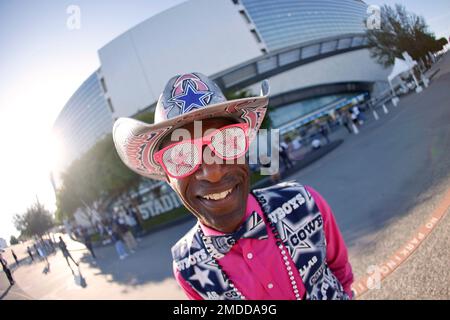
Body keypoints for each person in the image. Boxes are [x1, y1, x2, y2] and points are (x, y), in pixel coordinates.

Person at [113, 72, 353, 300]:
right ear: (167, 177)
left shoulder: (304, 203)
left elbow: (341, 273)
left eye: (228, 141)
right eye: (180, 156)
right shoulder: (187, 267)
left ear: (245, 149)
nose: (213, 172)